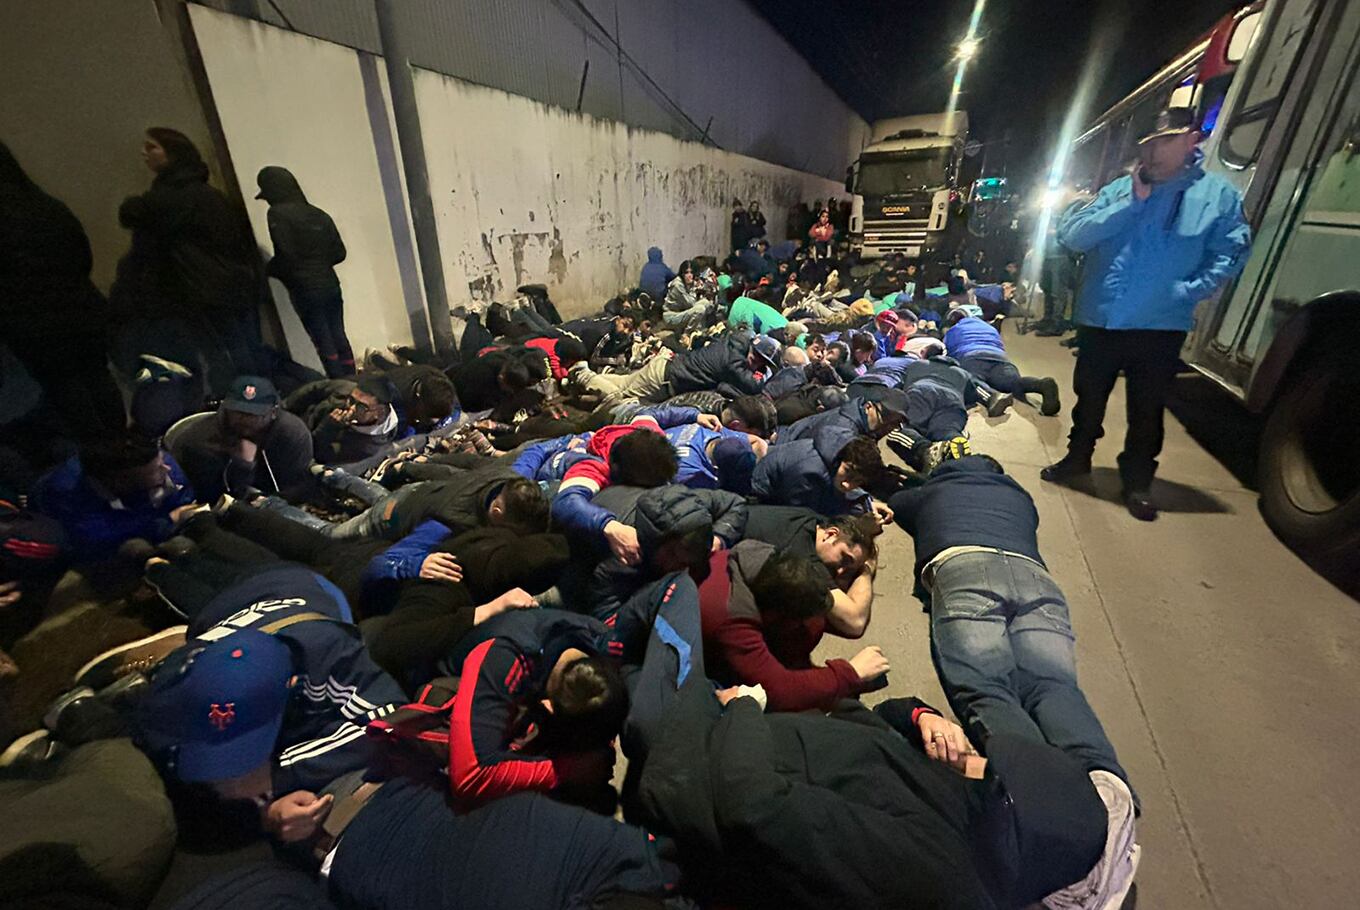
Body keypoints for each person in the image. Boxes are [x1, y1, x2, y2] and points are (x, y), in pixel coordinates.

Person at [888, 455, 1135, 800]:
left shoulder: (937, 489)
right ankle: (1104, 784)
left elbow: (898, 503)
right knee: (1053, 686)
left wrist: (922, 483)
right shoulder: (1019, 495)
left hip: (966, 566)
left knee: (987, 685)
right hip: (1035, 577)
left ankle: (1040, 795)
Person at [1045, 108, 1250, 520]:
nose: (1154, 153)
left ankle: (1137, 481)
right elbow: (1073, 235)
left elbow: (1231, 252)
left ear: (1193, 140)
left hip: (1160, 324)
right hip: (1102, 316)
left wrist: (1187, 292)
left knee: (1147, 406)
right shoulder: (1121, 189)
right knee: (1089, 396)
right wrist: (1132, 204)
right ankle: (1078, 457)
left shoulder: (1217, 196)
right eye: (1148, 145)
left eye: (1166, 142)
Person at [111, 128, 260, 395]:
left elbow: (134, 213)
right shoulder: (205, 194)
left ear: (172, 153)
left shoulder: (175, 198)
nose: (144, 153)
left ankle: (239, 405)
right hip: (228, 285)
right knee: (239, 352)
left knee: (221, 354)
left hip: (205, 289)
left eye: (152, 147)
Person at [438, 608, 626, 809]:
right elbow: (470, 777)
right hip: (450, 688)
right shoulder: (505, 659)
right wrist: (571, 770)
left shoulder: (603, 641)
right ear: (549, 708)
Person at [0, 142, 124, 440]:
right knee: (98, 376)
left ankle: (99, 453)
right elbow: (82, 254)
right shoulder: (45, 205)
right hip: (81, 306)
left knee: (64, 386)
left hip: (32, 320)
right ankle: (123, 446)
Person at [697, 543, 888, 712]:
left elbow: (847, 623)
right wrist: (850, 673)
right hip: (701, 663)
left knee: (811, 630)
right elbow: (779, 691)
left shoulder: (764, 559)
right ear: (775, 616)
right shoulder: (732, 619)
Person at [32, 432, 198, 563]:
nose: (167, 469)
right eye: (155, 470)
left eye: (161, 461)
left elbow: (183, 500)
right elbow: (94, 541)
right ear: (121, 482)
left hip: (134, 519)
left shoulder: (157, 464)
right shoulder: (65, 494)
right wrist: (166, 521)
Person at [255, 167, 352, 378]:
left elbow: (286, 254)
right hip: (329, 283)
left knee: (323, 340)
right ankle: (353, 378)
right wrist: (318, 263)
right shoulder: (318, 214)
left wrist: (269, 270)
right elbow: (339, 253)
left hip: (305, 288)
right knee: (338, 334)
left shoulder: (277, 214)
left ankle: (340, 384)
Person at [169, 375, 315, 502]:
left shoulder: (292, 433)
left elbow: (298, 484)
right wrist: (243, 465)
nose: (244, 420)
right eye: (238, 412)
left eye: (254, 415)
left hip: (280, 503)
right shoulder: (199, 441)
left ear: (273, 412)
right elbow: (216, 498)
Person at [751, 426, 888, 520]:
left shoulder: (833, 449)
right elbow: (802, 516)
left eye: (857, 481)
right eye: (847, 472)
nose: (848, 484)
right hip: (757, 496)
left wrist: (865, 502)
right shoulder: (809, 472)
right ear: (839, 460)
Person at [944, 310, 1061, 415]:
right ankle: (1041, 385)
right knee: (1013, 383)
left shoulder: (953, 331)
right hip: (999, 358)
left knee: (969, 382)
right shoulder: (989, 328)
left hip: (971, 357)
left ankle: (991, 397)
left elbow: (945, 355)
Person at [663, 260, 709, 331]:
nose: (689, 275)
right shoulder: (677, 285)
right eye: (686, 273)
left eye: (691, 272)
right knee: (700, 309)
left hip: (682, 312)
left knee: (706, 303)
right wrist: (695, 288)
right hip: (672, 315)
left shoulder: (690, 283)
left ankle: (700, 330)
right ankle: (687, 334)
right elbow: (690, 303)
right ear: (682, 274)